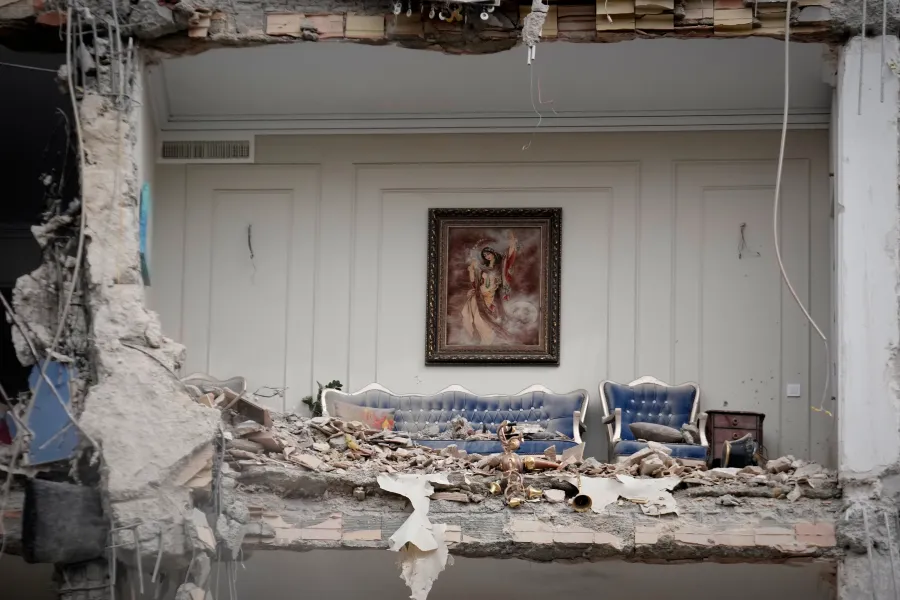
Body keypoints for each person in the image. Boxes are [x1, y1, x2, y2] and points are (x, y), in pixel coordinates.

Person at [460, 231, 517, 345]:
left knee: (480, 319)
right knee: (466, 314)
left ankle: (486, 340)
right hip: (478, 294)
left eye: (488, 253)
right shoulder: (483, 268)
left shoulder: (499, 266)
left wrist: (512, 242)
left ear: (493, 252)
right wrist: (472, 270)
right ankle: (475, 338)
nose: (487, 256)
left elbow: (509, 258)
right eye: (485, 255)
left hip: (490, 296)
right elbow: (476, 282)